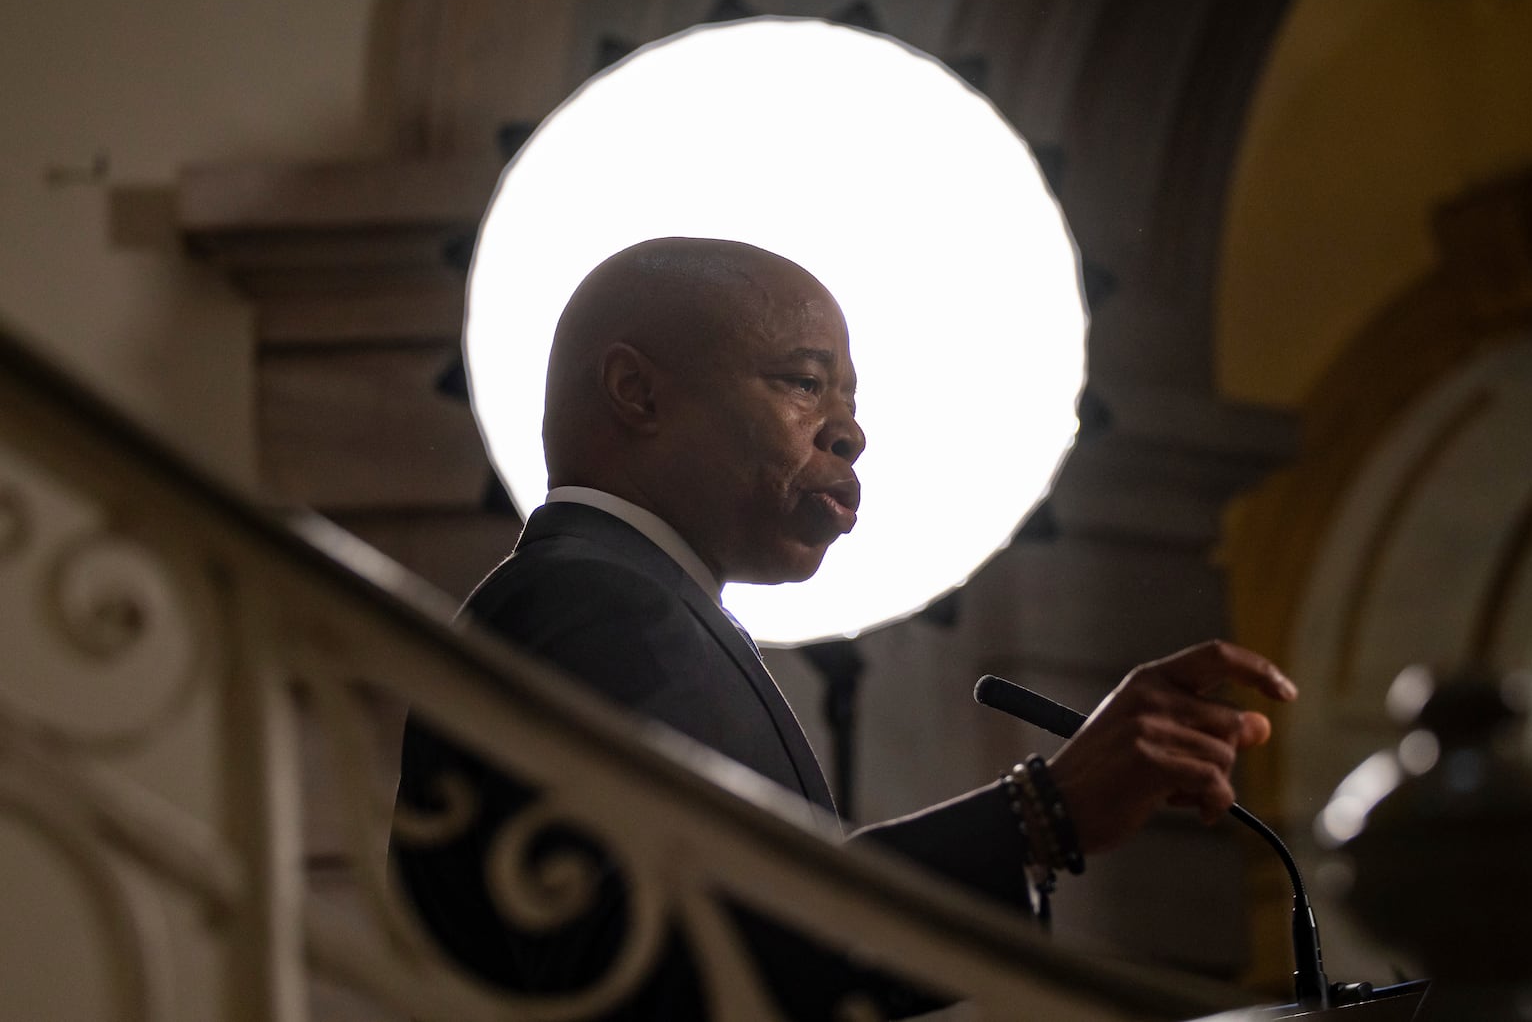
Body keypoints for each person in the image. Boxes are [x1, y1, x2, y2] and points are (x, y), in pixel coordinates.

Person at [392, 236, 1297, 1019]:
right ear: (636, 390)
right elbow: (663, 965)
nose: (849, 432)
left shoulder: (634, 599)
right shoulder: (594, 600)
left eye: (850, 399)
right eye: (803, 381)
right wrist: (1037, 816)